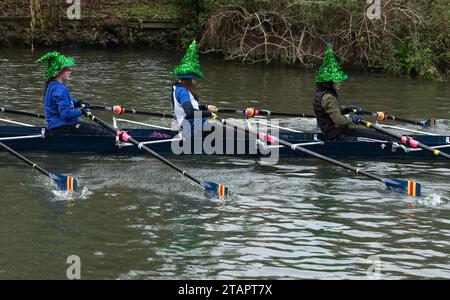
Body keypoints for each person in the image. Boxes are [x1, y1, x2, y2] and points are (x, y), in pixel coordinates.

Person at [313, 44, 393, 141]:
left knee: (375, 134)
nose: (340, 83)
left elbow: (331, 109)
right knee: (381, 137)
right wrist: (353, 120)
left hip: (331, 132)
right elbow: (339, 121)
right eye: (337, 80)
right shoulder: (328, 97)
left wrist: (348, 109)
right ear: (329, 82)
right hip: (336, 134)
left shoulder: (321, 93)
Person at [36, 51, 111, 136]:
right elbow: (66, 114)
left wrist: (78, 102)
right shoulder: (59, 89)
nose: (70, 72)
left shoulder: (54, 85)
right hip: (63, 127)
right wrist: (82, 111)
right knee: (104, 133)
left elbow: (68, 101)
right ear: (59, 72)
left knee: (101, 129)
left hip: (62, 125)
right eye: (67, 70)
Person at [171, 40, 218, 136]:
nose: (195, 82)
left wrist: (206, 107)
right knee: (223, 129)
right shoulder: (183, 92)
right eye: (194, 79)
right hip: (190, 128)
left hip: (185, 125)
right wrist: (208, 114)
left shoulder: (177, 88)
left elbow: (187, 108)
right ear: (188, 79)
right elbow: (190, 113)